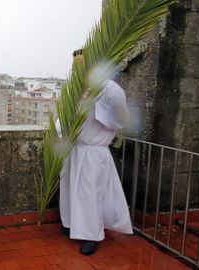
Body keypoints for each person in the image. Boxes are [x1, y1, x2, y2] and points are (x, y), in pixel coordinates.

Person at [59, 49, 133, 255]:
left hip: (93, 151)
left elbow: (120, 118)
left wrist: (95, 99)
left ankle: (92, 235)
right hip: (75, 149)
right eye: (75, 65)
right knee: (70, 190)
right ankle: (71, 223)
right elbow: (64, 116)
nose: (77, 69)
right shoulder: (75, 88)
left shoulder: (110, 89)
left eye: (81, 64)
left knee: (90, 194)